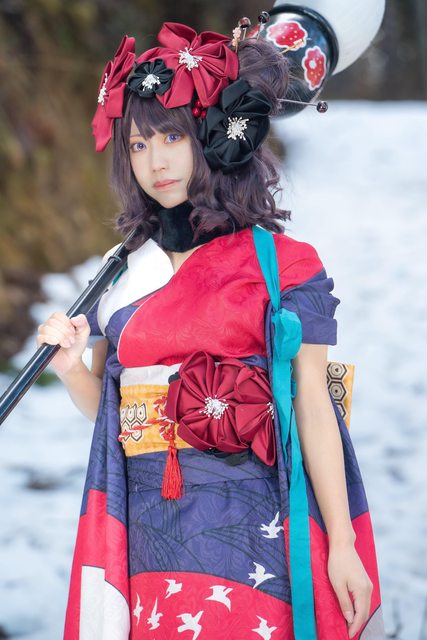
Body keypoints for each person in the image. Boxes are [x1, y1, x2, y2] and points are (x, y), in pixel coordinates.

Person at [36, 20, 385, 640]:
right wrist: (68, 367)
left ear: (212, 135)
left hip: (260, 530)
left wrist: (341, 542)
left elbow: (313, 405)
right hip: (152, 537)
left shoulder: (283, 265)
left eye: (171, 136)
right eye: (137, 145)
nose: (155, 162)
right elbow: (111, 416)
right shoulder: (122, 275)